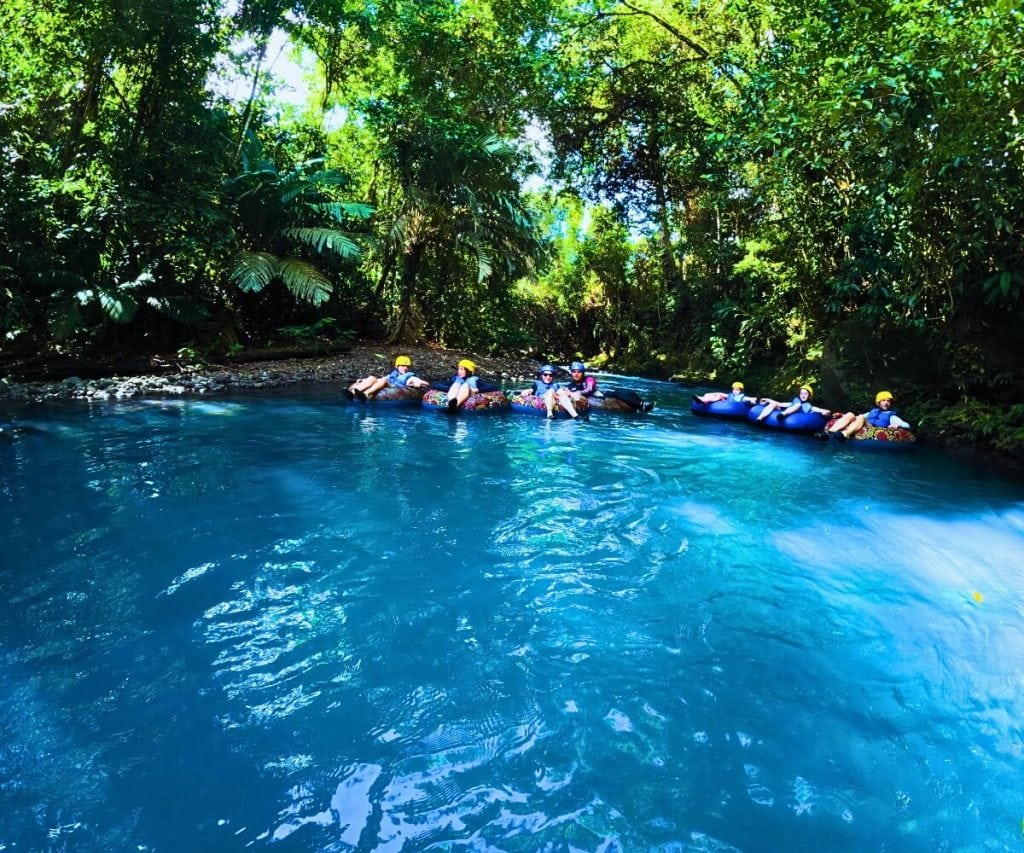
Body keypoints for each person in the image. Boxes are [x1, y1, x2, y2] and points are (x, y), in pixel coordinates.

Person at [826, 390, 911, 440]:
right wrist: (842, 415)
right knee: (851, 414)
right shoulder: (872, 412)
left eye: (888, 401)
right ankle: (829, 432)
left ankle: (844, 435)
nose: (886, 403)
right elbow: (857, 418)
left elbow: (907, 425)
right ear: (878, 403)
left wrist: (897, 425)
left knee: (862, 417)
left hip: (875, 430)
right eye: (883, 400)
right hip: (866, 425)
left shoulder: (891, 416)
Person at [345, 355, 429, 400]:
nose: (405, 368)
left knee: (384, 381)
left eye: (407, 366)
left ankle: (366, 394)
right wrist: (364, 380)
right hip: (389, 385)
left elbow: (422, 382)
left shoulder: (410, 376)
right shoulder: (393, 374)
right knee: (372, 378)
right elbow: (379, 379)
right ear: (397, 366)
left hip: (397, 388)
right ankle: (352, 393)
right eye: (403, 365)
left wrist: (419, 382)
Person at [756, 384, 830, 422]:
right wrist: (768, 400)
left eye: (805, 394)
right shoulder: (795, 402)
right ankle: (759, 418)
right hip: (787, 412)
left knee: (798, 405)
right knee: (774, 404)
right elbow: (780, 404)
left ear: (809, 396)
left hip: (796, 418)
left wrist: (826, 412)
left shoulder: (808, 406)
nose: (803, 396)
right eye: (801, 393)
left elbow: (823, 410)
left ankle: (783, 414)